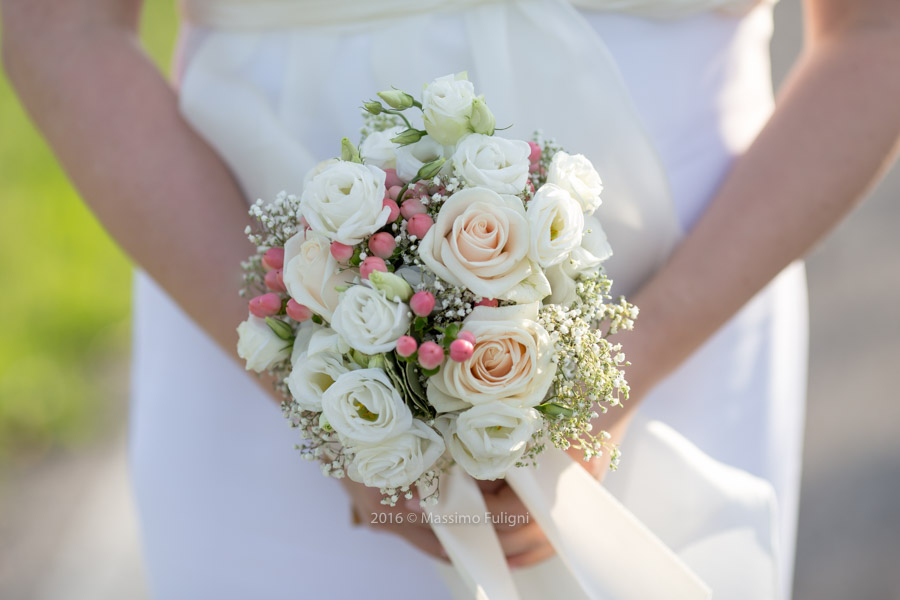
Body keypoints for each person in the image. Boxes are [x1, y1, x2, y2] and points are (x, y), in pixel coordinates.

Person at [3, 0, 898, 598]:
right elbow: (59, 23)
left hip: (690, 308)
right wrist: (327, 397)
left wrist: (626, 363)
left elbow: (875, 30)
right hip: (244, 313)